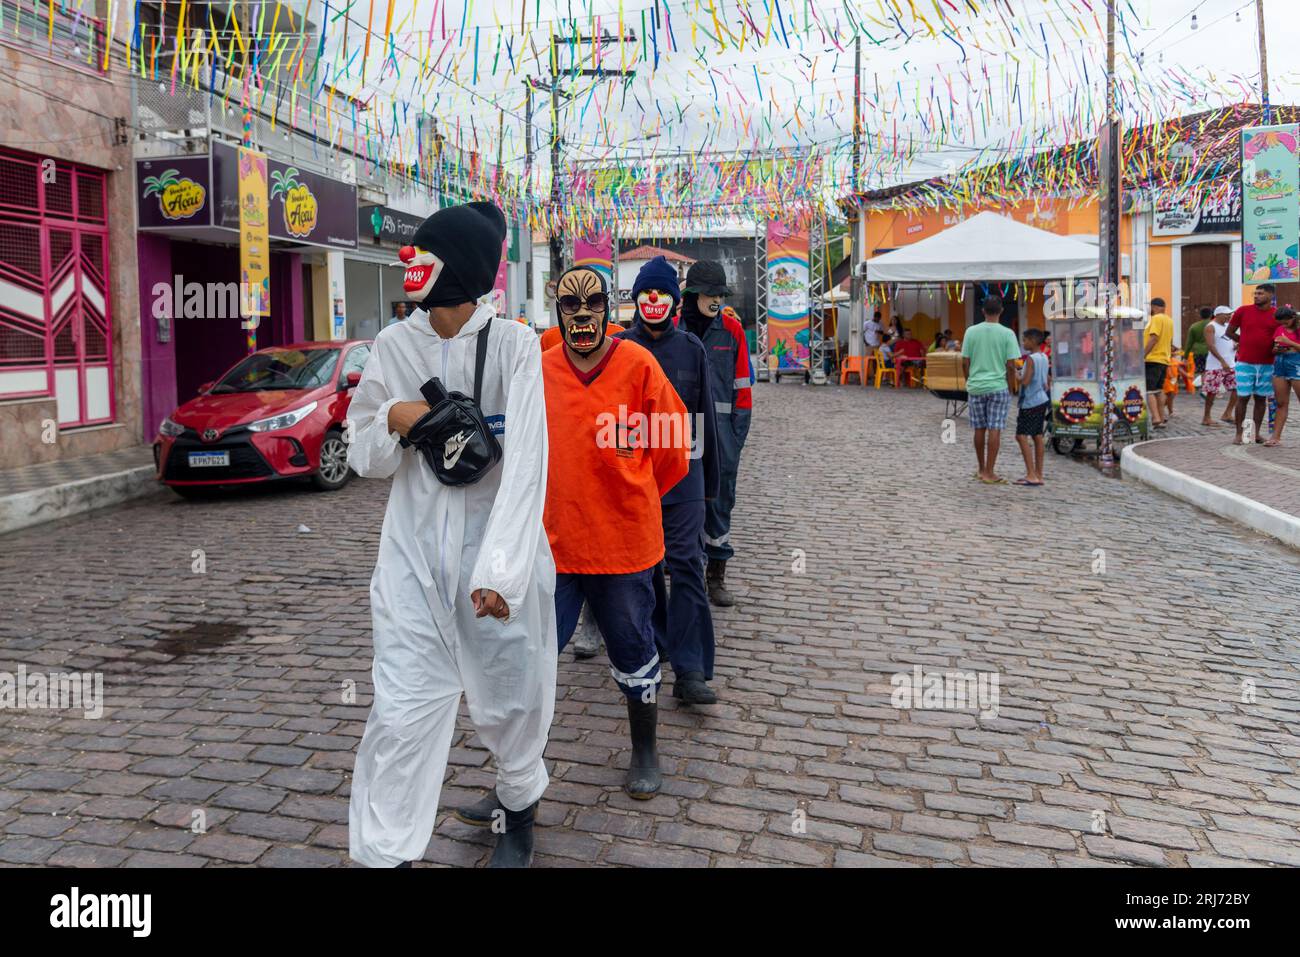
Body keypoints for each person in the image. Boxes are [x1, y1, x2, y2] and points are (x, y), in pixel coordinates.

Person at [347, 202, 555, 869]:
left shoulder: (518, 348)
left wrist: (501, 570)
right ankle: (386, 852)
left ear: (460, 268)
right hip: (411, 563)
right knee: (402, 712)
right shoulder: (394, 346)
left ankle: (518, 807)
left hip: (494, 563)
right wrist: (393, 417)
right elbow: (362, 456)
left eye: (427, 256)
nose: (411, 267)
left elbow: (526, 467)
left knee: (510, 695)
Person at [544, 264, 689, 797]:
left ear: (611, 307)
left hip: (624, 547)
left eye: (593, 303)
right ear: (556, 311)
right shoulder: (538, 368)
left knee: (634, 649)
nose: (582, 315)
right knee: (532, 659)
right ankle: (519, 773)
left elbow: (673, 454)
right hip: (554, 546)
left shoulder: (639, 365)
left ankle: (645, 750)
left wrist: (628, 488)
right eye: (569, 305)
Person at [622, 256, 721, 704]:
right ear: (636, 299)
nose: (654, 299)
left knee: (685, 564)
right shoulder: (619, 349)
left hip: (684, 480)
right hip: (634, 480)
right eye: (647, 292)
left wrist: (710, 486)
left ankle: (691, 669)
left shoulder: (691, 349)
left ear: (675, 301)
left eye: (662, 292)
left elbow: (706, 421)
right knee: (643, 572)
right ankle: (657, 644)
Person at [680, 259, 752, 608]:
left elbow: (743, 388)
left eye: (719, 295)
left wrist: (735, 439)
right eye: (709, 294)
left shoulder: (732, 331)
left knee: (719, 502)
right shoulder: (673, 327)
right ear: (693, 295)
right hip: (678, 433)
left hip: (721, 435)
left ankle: (717, 574)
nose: (716, 300)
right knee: (678, 501)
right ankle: (682, 565)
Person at [962, 295, 1021, 484]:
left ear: (982, 311)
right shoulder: (1007, 334)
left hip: (976, 386)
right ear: (1001, 311)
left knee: (979, 428)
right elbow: (1011, 365)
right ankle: (990, 471)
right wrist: (1012, 387)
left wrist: (969, 380)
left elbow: (965, 361)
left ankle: (980, 469)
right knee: (995, 428)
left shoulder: (971, 331)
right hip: (998, 386)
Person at [1228, 284, 1279, 445]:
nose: (1256, 296)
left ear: (1270, 296)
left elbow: (1280, 336)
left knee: (1260, 399)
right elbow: (1229, 332)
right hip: (1245, 363)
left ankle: (1256, 433)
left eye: (1260, 293)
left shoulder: (1276, 315)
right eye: (1255, 293)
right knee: (1242, 397)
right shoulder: (1243, 311)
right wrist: (1242, 342)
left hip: (1267, 364)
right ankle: (1238, 434)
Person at [1014, 327, 1050, 487]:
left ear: (1034, 341)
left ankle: (1030, 474)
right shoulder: (1044, 357)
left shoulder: (1030, 359)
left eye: (1025, 340)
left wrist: (1016, 374)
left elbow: (1026, 381)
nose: (1024, 342)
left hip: (1030, 402)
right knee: (1037, 436)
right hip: (1042, 399)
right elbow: (1046, 380)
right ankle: (1039, 474)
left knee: (1021, 436)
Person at [1266, 306, 1300, 446]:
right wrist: (1276, 349)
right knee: (1280, 402)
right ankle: (1275, 437)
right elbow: (1274, 347)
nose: (1283, 325)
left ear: (1293, 318)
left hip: (1296, 363)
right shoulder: (1279, 329)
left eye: (1286, 322)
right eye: (1281, 322)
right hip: (1280, 363)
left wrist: (1289, 343)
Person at [1202, 306, 1238, 426]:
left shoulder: (1228, 327)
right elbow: (1211, 345)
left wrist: (1236, 346)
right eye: (1227, 314)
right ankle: (1206, 417)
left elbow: (1231, 343)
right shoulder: (1210, 327)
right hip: (1215, 365)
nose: (1229, 317)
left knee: (1238, 388)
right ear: (1218, 314)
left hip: (1231, 363)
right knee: (1212, 391)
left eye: (1230, 314)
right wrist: (1222, 361)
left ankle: (1227, 413)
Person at [1143, 297, 1173, 430]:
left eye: (1150, 307)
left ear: (1155, 307)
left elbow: (1154, 338)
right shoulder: (1169, 320)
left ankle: (1155, 417)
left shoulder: (1156, 319)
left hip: (1152, 359)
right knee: (1159, 390)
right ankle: (1161, 418)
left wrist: (1142, 354)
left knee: (1149, 391)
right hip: (1164, 359)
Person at [1185, 307, 1212, 381]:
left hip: (1198, 352)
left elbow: (1189, 343)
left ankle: (1204, 388)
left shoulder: (1194, 326)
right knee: (1211, 371)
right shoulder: (1214, 325)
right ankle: (1210, 388)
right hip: (1212, 352)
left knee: (1202, 372)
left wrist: (1185, 356)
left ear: (1200, 315)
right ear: (1211, 315)